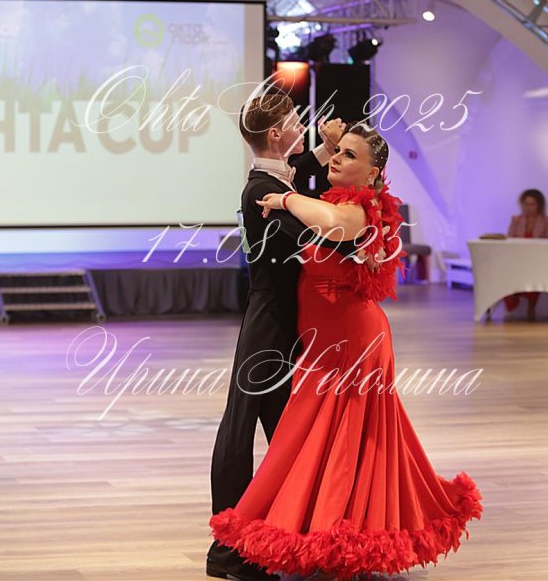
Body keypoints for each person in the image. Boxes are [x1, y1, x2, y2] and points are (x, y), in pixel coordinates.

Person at [210, 123, 483, 580]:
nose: (337, 159)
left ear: (373, 174)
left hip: (350, 343)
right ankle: (331, 530)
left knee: (341, 439)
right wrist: (321, 155)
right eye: (338, 153)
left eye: (349, 155)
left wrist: (284, 200)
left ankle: (335, 536)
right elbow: (317, 207)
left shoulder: (359, 209)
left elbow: (331, 224)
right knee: (333, 439)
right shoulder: (338, 200)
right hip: (328, 341)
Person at [207, 91, 349, 581]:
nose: (301, 125)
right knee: (239, 428)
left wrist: (329, 150)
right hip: (268, 322)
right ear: (275, 133)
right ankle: (228, 548)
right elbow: (311, 236)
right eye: (294, 120)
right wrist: (359, 243)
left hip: (282, 321)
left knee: (284, 432)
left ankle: (280, 532)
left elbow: (302, 169)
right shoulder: (262, 191)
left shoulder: (275, 179)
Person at [504, 189, 548, 320]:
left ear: (539, 205)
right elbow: (509, 240)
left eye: (532, 204)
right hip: (517, 259)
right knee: (509, 272)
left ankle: (531, 306)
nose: (529, 208)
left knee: (535, 274)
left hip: (536, 260)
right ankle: (513, 297)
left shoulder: (547, 222)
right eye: (526, 204)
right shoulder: (516, 220)